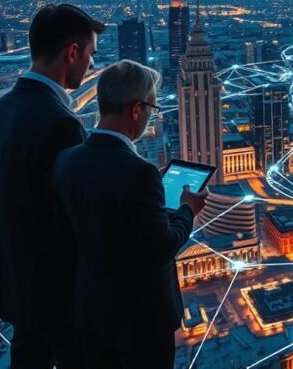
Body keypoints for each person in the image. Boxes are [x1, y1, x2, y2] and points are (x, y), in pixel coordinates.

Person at [53, 60, 207, 369]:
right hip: (141, 322)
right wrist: (188, 209)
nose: (151, 116)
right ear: (137, 110)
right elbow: (161, 248)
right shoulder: (139, 173)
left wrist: (150, 189)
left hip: (91, 311)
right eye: (152, 109)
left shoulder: (68, 158)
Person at [0, 3, 105, 369]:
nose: (91, 66)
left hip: (15, 283)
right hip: (57, 292)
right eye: (91, 55)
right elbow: (73, 214)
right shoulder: (60, 122)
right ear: (72, 53)